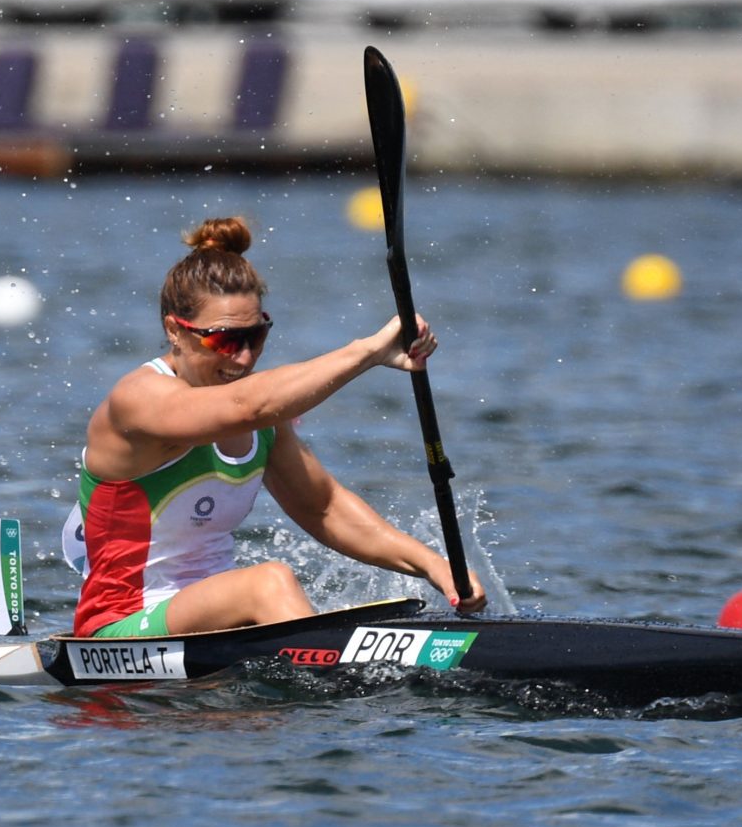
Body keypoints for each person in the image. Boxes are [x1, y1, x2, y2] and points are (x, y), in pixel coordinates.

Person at [72, 216, 486, 638]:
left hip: (212, 628)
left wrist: (435, 566)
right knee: (268, 582)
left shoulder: (263, 419)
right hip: (117, 626)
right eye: (225, 341)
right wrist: (368, 352)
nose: (244, 358)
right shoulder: (138, 400)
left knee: (266, 596)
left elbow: (323, 507)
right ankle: (331, 688)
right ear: (174, 331)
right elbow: (247, 407)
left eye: (256, 336)